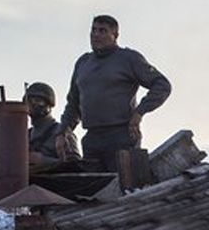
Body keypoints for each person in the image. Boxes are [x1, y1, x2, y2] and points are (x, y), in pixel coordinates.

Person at [57, 15, 172, 172]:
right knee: (94, 184)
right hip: (92, 138)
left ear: (115, 35)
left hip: (121, 135)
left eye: (102, 31)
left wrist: (140, 112)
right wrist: (63, 132)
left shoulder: (128, 58)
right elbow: (73, 103)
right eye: (93, 30)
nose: (96, 35)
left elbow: (162, 85)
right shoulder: (83, 63)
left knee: (124, 182)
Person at [24, 82, 79, 165]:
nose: (33, 105)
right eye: (29, 101)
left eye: (38, 101)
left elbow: (76, 166)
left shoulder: (61, 132)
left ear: (49, 105)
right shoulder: (26, 135)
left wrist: (44, 160)